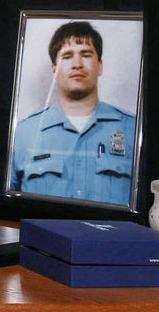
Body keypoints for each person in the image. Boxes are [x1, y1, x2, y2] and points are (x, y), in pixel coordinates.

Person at [10, 21, 136, 206]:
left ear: (100, 66)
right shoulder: (24, 134)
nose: (77, 64)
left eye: (86, 55)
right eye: (67, 56)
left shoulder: (132, 129)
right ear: (54, 69)